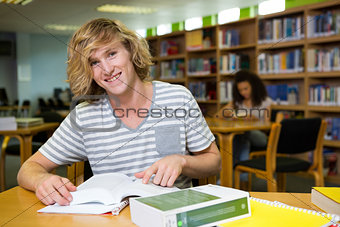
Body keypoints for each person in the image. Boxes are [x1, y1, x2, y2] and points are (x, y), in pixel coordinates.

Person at [17, 18, 221, 206]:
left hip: (172, 213)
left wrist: (182, 161)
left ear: (131, 51)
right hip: (113, 218)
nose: (106, 69)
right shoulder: (85, 116)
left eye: (111, 54)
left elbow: (214, 161)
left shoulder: (178, 98)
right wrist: (42, 179)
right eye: (94, 62)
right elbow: (28, 168)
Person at [216, 70, 273, 168]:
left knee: (241, 135)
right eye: (240, 90)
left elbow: (267, 128)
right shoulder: (237, 102)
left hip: (260, 137)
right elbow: (216, 117)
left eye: (246, 89)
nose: (243, 92)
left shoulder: (265, 102)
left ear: (254, 86)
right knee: (242, 139)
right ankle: (242, 178)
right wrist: (228, 111)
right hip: (241, 136)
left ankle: (226, 170)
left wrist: (254, 120)